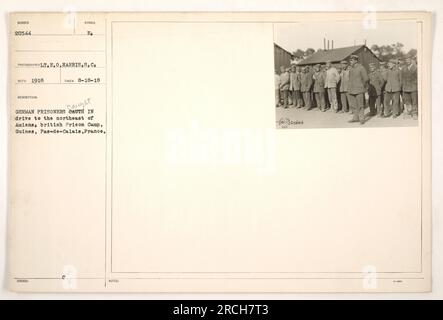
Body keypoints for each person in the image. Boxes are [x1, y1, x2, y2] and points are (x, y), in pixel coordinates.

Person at [347, 55, 369, 124]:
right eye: (350, 60)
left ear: (356, 60)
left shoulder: (361, 68)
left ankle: (362, 119)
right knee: (353, 105)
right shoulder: (350, 68)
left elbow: (366, 79)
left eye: (352, 60)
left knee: (360, 105)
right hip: (351, 90)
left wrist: (361, 85)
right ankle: (355, 118)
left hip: (359, 90)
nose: (350, 62)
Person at [401, 55, 418, 119]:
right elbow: (402, 77)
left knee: (414, 101)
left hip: (413, 87)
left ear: (411, 60)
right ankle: (409, 112)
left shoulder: (415, 67)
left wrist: (415, 83)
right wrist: (403, 85)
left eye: (408, 60)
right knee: (407, 101)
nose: (407, 61)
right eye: (406, 60)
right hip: (405, 88)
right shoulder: (403, 68)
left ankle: (414, 113)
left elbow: (418, 77)